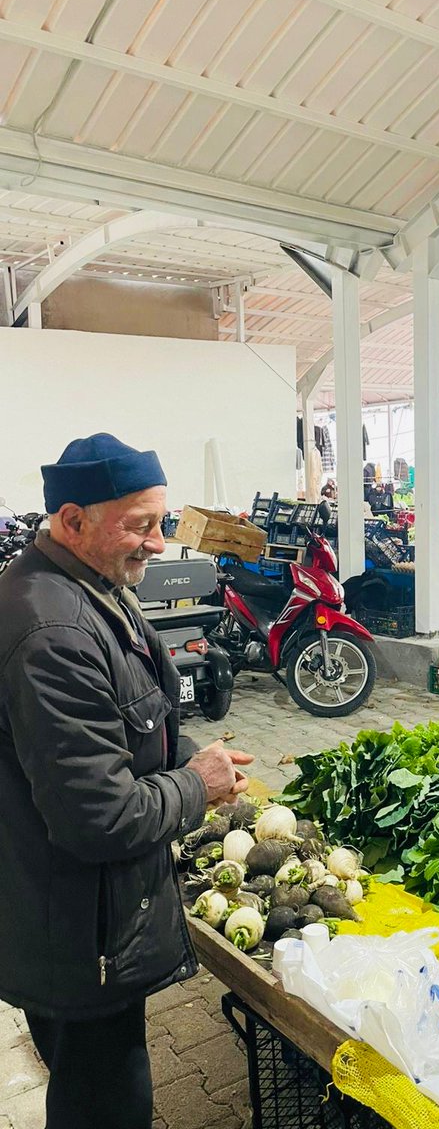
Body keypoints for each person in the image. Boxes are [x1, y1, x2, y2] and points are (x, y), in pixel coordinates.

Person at [0, 433, 254, 1129]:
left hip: (76, 916)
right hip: (79, 934)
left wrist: (190, 755)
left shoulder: (89, 585)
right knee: (105, 1103)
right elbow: (99, 818)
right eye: (141, 525)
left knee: (93, 1085)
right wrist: (196, 785)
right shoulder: (52, 630)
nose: (159, 543)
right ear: (73, 520)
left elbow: (126, 723)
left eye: (162, 521)